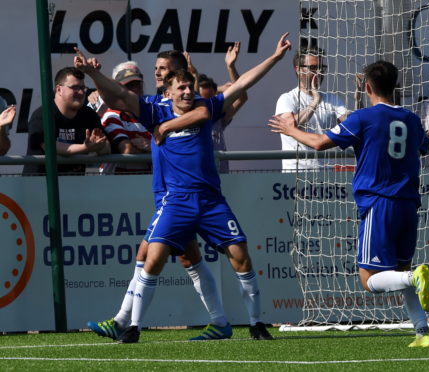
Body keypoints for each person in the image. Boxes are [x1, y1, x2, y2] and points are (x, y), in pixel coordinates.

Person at [76, 32, 291, 343]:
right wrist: (93, 73)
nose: (187, 90)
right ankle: (132, 325)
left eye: (187, 83)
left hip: (210, 200)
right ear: (170, 91)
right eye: (182, 86)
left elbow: (242, 86)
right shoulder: (154, 108)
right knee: (155, 256)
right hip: (174, 200)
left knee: (237, 255)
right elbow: (118, 96)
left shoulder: (205, 106)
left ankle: (254, 323)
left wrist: (275, 58)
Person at [268, 60, 429, 348]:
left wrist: (291, 130)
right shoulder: (411, 118)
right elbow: (425, 146)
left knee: (370, 280)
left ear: (367, 86)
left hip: (379, 203)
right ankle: (422, 331)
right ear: (394, 86)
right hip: (409, 204)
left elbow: (319, 142)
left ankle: (414, 279)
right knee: (399, 270)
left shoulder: (363, 118)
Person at [86, 51, 232, 342]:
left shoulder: (188, 105)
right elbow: (118, 97)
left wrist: (165, 126)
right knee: (189, 259)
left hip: (181, 196)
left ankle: (126, 323)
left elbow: (206, 109)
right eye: (156, 67)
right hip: (167, 193)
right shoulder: (156, 104)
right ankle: (219, 321)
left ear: (178, 73)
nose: (157, 72)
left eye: (163, 68)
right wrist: (96, 79)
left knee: (150, 254)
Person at [23, 67, 110, 175]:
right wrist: (85, 147)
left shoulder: (89, 115)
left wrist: (100, 146)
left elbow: (106, 147)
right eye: (75, 87)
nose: (81, 92)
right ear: (59, 89)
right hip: (39, 185)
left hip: (74, 186)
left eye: (83, 87)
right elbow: (50, 147)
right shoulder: (42, 115)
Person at [275, 47, 349, 172]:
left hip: (325, 176)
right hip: (296, 174)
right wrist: (314, 101)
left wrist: (359, 99)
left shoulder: (332, 99)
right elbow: (290, 125)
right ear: (298, 70)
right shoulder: (287, 98)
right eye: (313, 68)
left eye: (321, 68)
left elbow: (350, 124)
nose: (319, 72)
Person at [187, 42, 248, 173]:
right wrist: (194, 76)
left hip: (222, 179)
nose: (207, 105)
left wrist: (231, 67)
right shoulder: (186, 119)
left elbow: (242, 97)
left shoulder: (220, 117)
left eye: (210, 99)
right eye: (203, 100)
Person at [100, 61, 151, 174]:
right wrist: (153, 149)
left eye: (137, 84)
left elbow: (168, 146)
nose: (135, 89)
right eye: (129, 86)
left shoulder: (151, 112)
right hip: (117, 184)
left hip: (146, 182)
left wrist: (151, 145)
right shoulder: (112, 115)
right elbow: (126, 149)